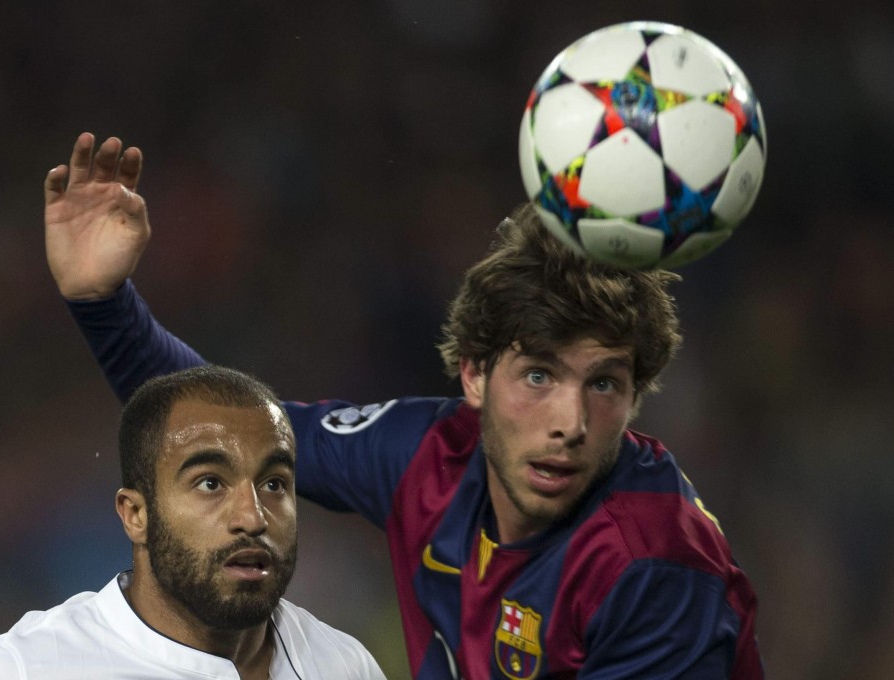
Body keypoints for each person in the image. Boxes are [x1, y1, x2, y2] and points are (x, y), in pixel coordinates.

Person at [44, 132, 764, 678]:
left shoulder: (655, 567)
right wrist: (103, 303)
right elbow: (221, 426)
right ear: (474, 375)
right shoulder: (427, 454)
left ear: (636, 393)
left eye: (603, 384)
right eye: (539, 376)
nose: (569, 424)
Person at [0, 364, 387, 679]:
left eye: (273, 484)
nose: (252, 516)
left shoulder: (344, 664)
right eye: (210, 483)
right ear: (136, 515)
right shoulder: (19, 669)